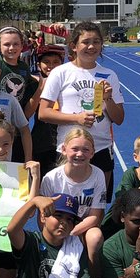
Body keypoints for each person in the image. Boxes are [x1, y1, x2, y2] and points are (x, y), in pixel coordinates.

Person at [39, 21, 124, 194]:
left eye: (96, 42)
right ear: (74, 46)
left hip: (100, 148)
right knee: (65, 205)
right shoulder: (60, 72)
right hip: (69, 148)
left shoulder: (110, 75)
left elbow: (119, 119)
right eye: (85, 42)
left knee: (95, 205)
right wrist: (76, 118)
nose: (91, 46)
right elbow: (43, 112)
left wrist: (108, 99)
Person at [38, 127, 107, 274]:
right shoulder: (51, 178)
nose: (80, 154)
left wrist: (72, 232)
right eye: (75, 149)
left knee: (95, 237)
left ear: (93, 152)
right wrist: (59, 232)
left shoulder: (98, 175)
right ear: (64, 149)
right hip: (58, 226)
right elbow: (42, 217)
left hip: (83, 228)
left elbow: (95, 216)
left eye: (85, 150)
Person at [0, 26, 42, 160]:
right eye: (7, 44)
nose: (12, 48)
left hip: (17, 128)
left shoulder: (24, 68)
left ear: (22, 46)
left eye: (16, 44)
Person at [30, 44, 65, 176]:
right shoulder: (34, 85)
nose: (51, 66)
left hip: (62, 141)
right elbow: (28, 113)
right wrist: (40, 88)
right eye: (46, 62)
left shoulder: (68, 84)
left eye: (56, 62)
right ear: (39, 65)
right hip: (41, 142)